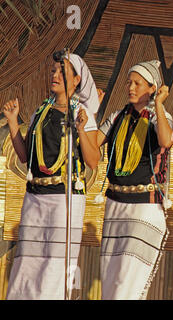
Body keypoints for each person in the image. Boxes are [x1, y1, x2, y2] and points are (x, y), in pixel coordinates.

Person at [3, 52, 100, 299]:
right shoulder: (41, 111)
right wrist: (14, 123)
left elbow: (93, 160)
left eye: (61, 71)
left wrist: (80, 129)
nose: (55, 76)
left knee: (52, 267)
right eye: (53, 71)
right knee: (27, 263)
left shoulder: (81, 114)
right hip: (35, 195)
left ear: (76, 80)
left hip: (63, 198)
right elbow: (25, 157)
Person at [96, 60, 173, 300]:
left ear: (152, 88)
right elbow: (90, 148)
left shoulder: (158, 117)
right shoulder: (117, 117)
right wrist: (91, 114)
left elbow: (165, 141)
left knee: (128, 283)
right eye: (129, 82)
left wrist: (158, 104)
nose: (131, 87)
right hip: (116, 204)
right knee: (110, 280)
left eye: (138, 83)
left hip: (144, 207)